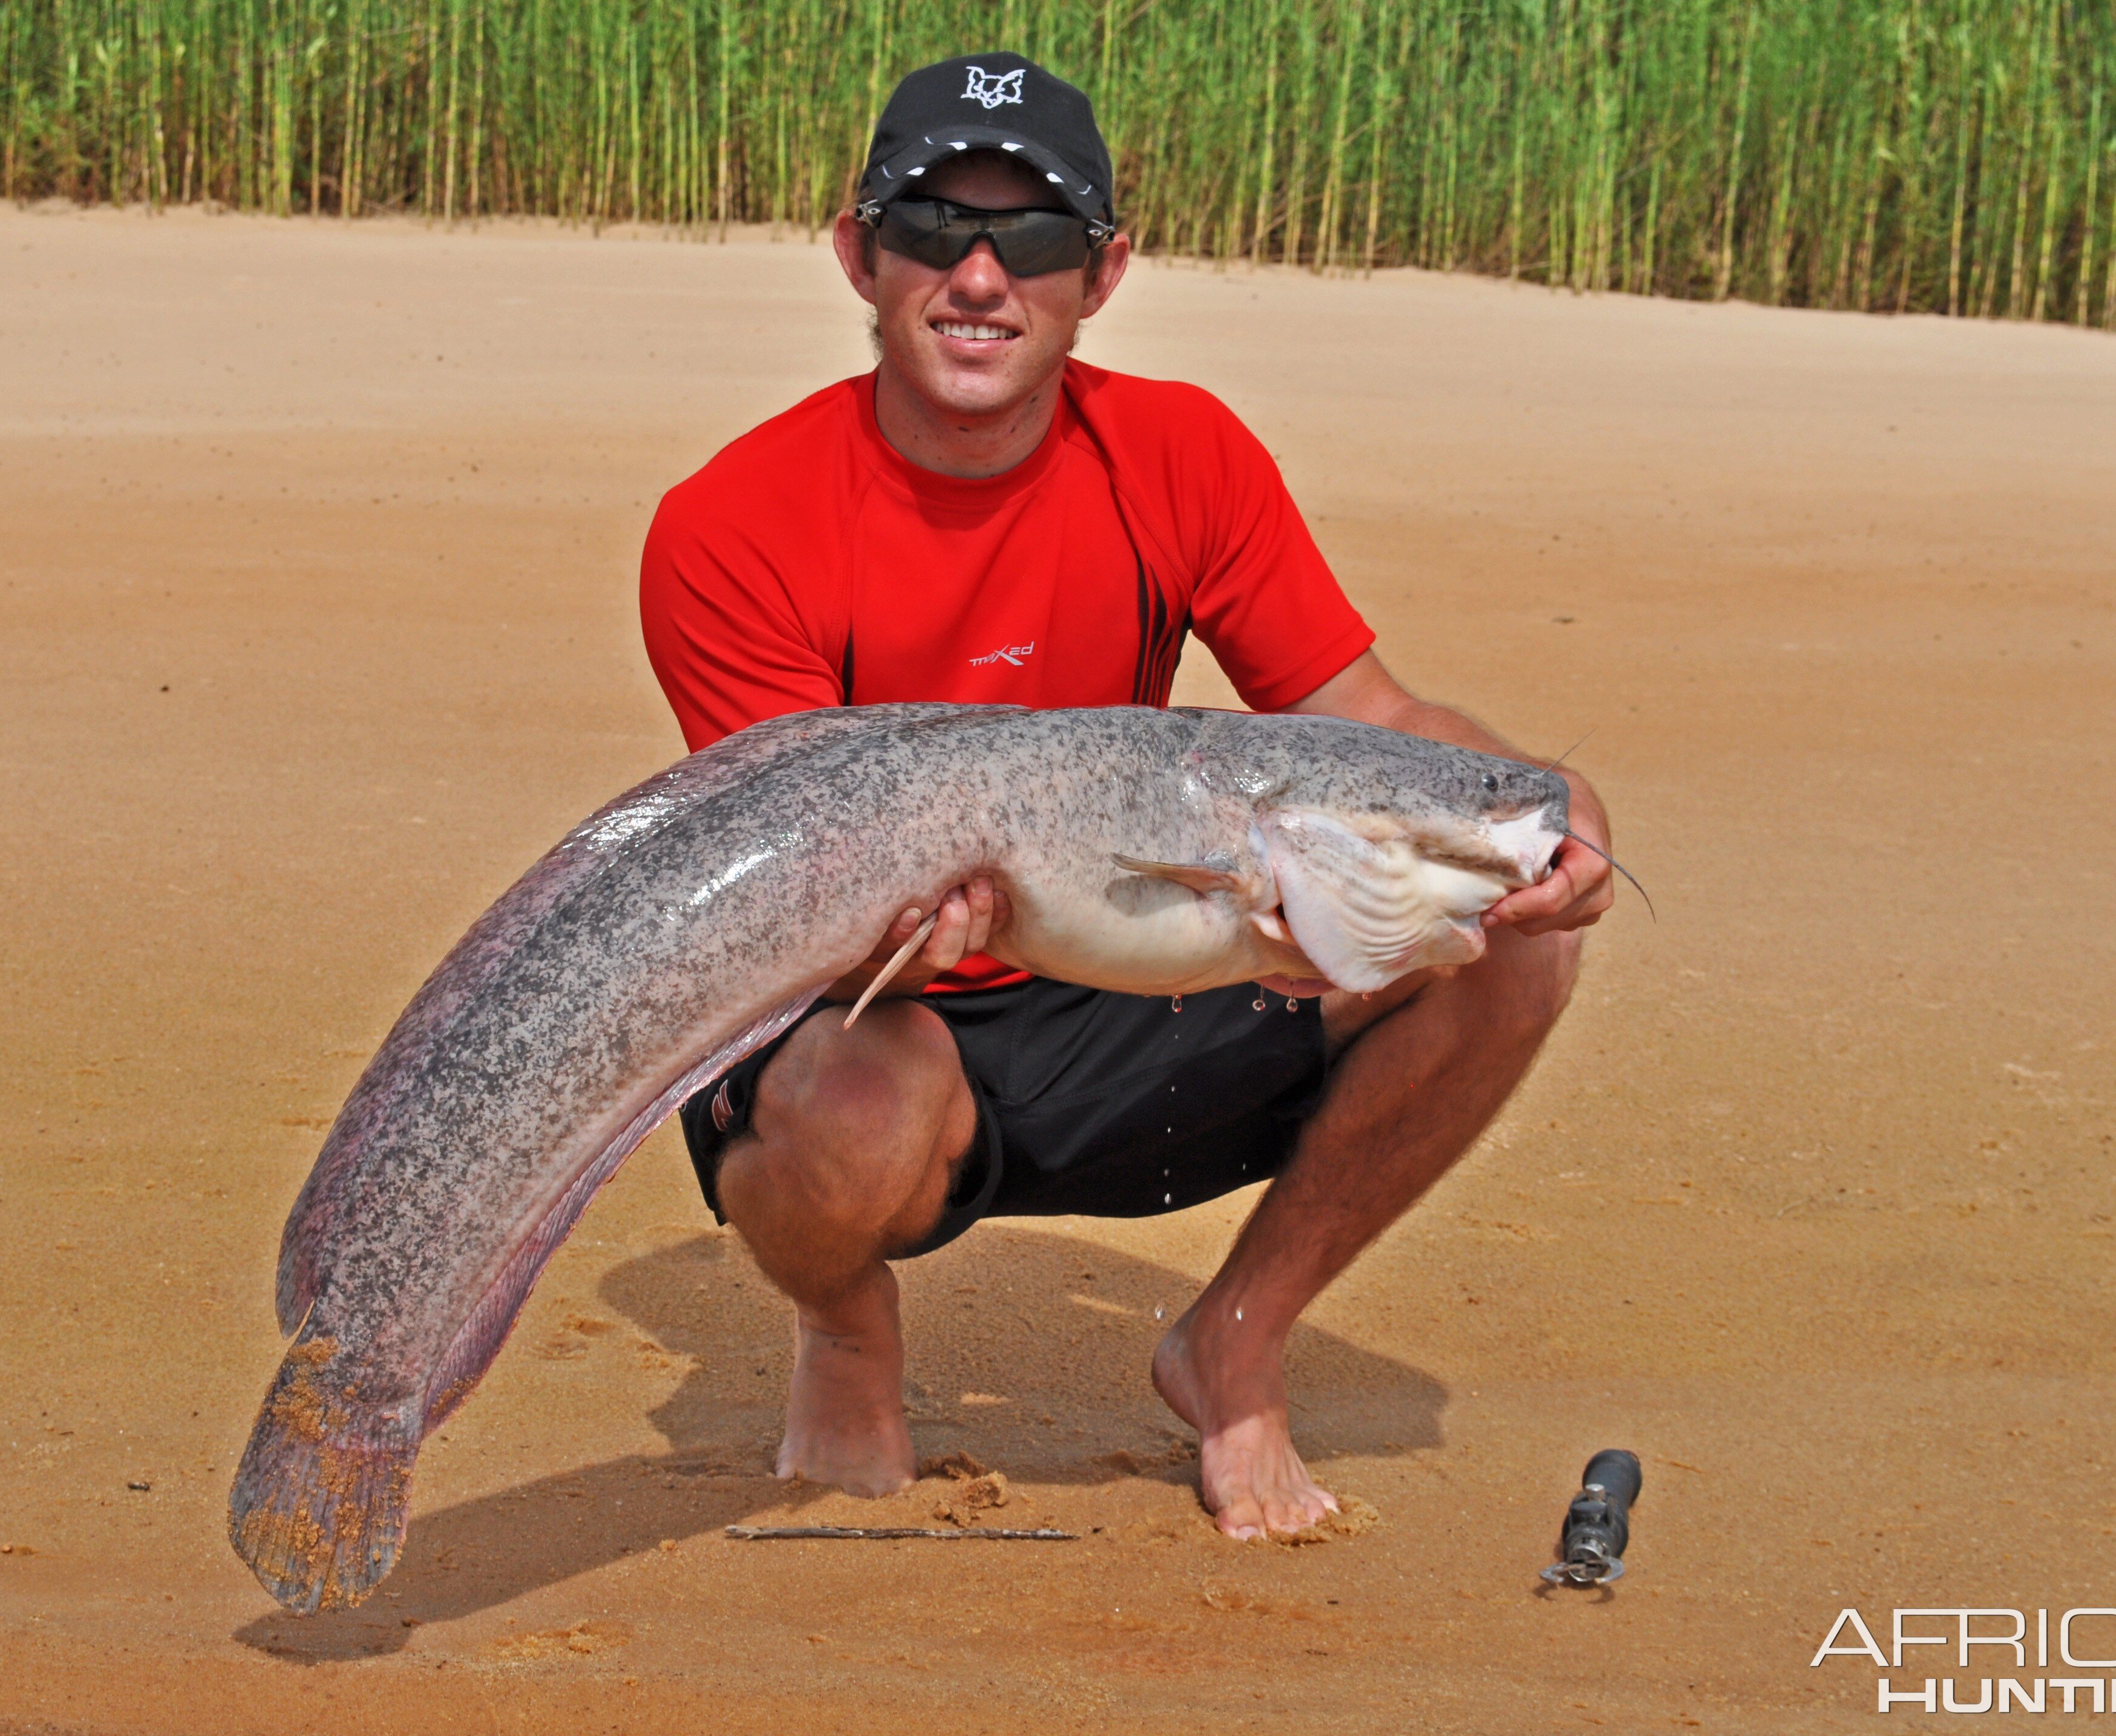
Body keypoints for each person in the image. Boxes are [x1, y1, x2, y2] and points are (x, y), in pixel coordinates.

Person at [637, 51, 1613, 1540]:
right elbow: (802, 885)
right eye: (929, 227)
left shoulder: (1181, 454)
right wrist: (926, 911)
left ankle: (1232, 1346)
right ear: (855, 253)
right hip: (882, 991)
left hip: (1140, 936)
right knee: (834, 1109)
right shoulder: (728, 526)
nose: (977, 275)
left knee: (1512, 933)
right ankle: (843, 1327)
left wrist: (1542, 803)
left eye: (1030, 238)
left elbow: (1372, 715)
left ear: (1102, 272)